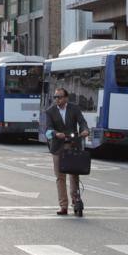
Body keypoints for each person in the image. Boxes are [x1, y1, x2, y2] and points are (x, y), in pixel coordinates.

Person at [43, 87, 89, 217]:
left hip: (73, 145)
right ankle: (63, 206)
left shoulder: (74, 108)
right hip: (58, 147)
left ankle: (75, 201)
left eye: (60, 97)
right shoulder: (50, 111)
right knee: (60, 177)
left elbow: (82, 122)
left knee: (74, 175)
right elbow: (48, 129)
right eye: (55, 97)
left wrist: (85, 130)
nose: (57, 99)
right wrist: (56, 133)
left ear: (66, 98)